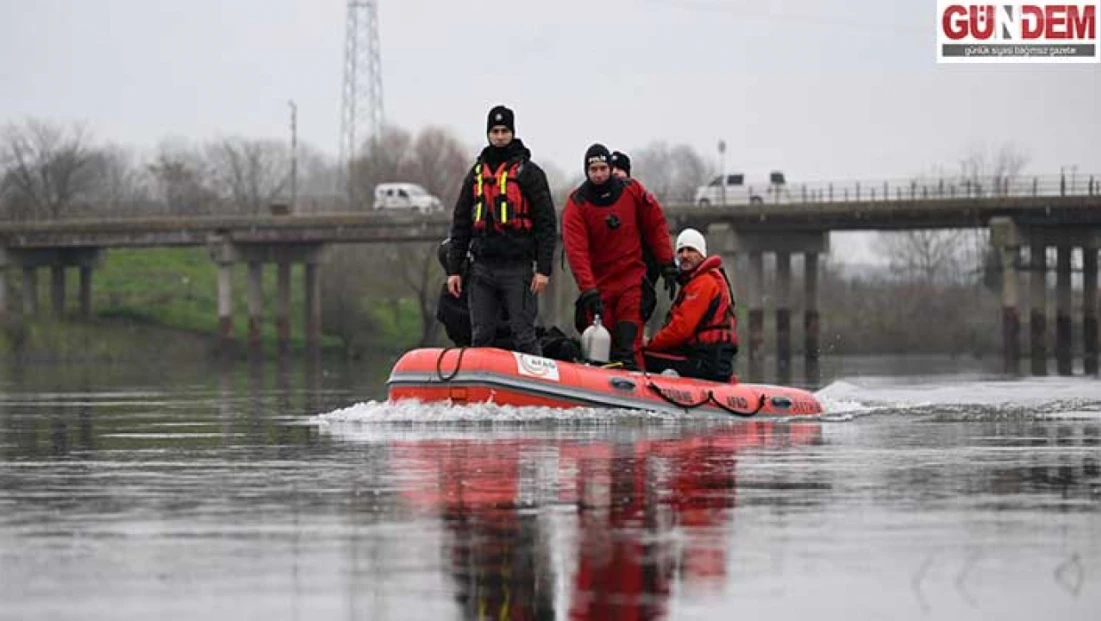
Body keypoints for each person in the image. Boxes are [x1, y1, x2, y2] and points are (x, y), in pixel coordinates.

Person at [445, 105, 557, 356]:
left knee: (523, 334)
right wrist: (454, 269)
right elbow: (461, 223)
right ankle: (479, 390)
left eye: (504, 131)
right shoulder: (475, 175)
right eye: (494, 131)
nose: (499, 136)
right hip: (482, 268)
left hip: (517, 268)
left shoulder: (529, 173)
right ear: (488, 134)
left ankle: (536, 390)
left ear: (512, 133)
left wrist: (544, 269)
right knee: (481, 335)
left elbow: (546, 224)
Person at [563, 143, 677, 369]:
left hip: (630, 283)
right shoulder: (577, 204)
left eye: (603, 168)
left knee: (629, 345)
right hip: (600, 286)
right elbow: (577, 252)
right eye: (593, 169)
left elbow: (656, 225)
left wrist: (667, 263)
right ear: (587, 171)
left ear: (610, 168)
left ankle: (636, 389)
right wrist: (588, 290)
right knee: (600, 349)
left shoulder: (632, 191)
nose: (598, 174)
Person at [642, 228, 739, 382]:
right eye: (681, 251)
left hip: (705, 361)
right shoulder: (699, 281)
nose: (685, 255)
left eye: (691, 250)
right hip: (709, 358)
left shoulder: (703, 283)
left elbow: (681, 329)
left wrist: (650, 344)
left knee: (642, 357)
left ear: (702, 255)